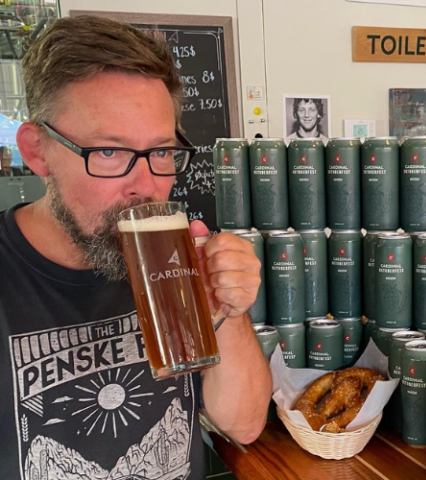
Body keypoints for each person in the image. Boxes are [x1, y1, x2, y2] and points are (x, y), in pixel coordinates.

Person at [0, 16, 271, 479]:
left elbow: (243, 425)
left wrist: (228, 311)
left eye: (162, 152)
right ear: (38, 151)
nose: (146, 186)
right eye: (109, 152)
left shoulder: (175, 263)